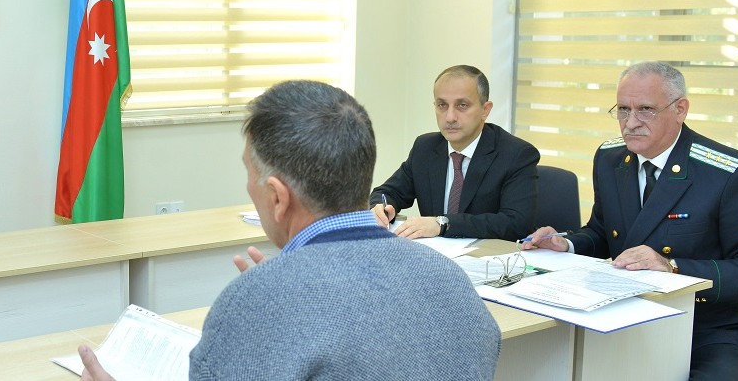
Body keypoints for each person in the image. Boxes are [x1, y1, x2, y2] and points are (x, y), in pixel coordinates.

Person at [79, 80, 499, 380]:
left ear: (278, 197)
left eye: (250, 173)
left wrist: (268, 302)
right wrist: (279, 296)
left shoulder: (256, 302)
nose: (249, 186)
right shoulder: (450, 281)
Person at [521, 61, 738, 379]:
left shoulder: (728, 173)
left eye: (645, 110)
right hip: (623, 314)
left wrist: (673, 267)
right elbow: (603, 232)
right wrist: (567, 243)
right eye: (623, 110)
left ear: (680, 109)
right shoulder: (611, 158)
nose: (630, 123)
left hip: (705, 327)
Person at [369, 65, 539, 241]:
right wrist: (381, 207)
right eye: (442, 105)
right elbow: (389, 192)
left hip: (489, 255)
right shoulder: (425, 148)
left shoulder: (517, 155)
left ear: (485, 110)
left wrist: (443, 224)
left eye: (462, 105)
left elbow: (516, 223)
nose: (450, 117)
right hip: (435, 253)